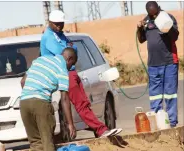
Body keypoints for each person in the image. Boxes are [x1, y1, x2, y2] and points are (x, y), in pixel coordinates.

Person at [40, 9, 122, 137]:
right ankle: (101, 130)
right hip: (63, 74)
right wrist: (71, 48)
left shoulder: (60, 35)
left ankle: (99, 129)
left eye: (61, 23)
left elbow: (73, 52)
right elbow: (65, 54)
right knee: (80, 104)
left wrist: (72, 48)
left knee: (84, 104)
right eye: (57, 23)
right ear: (50, 22)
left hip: (71, 71)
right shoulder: (48, 37)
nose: (60, 26)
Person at [20, 47, 77, 151]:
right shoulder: (62, 68)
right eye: (72, 64)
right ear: (69, 59)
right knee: (47, 143)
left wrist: (31, 94)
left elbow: (23, 81)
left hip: (24, 103)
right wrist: (70, 124)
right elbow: (64, 98)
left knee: (35, 143)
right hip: (40, 103)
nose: (70, 68)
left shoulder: (41, 60)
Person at [137, 1, 179, 127]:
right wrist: (139, 28)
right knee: (155, 96)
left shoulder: (168, 17)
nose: (154, 17)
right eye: (152, 15)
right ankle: (158, 123)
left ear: (159, 9)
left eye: (156, 14)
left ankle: (172, 123)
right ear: (148, 13)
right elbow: (141, 39)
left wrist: (168, 28)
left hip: (169, 62)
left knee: (170, 93)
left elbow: (175, 36)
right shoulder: (146, 21)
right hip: (153, 64)